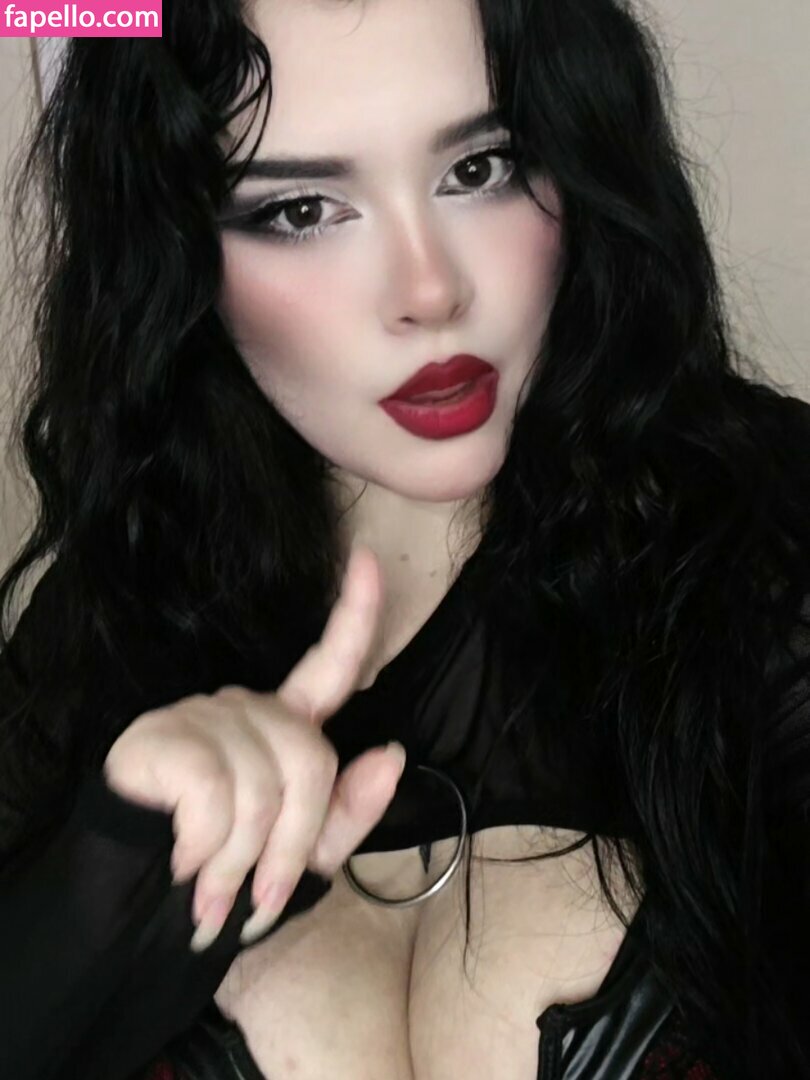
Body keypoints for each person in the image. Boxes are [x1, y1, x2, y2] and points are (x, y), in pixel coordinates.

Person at [0, 0, 808, 1077]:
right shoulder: (103, 627)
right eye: (301, 209)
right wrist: (87, 925)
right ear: (177, 246)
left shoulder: (775, 545)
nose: (429, 290)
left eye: (479, 168)